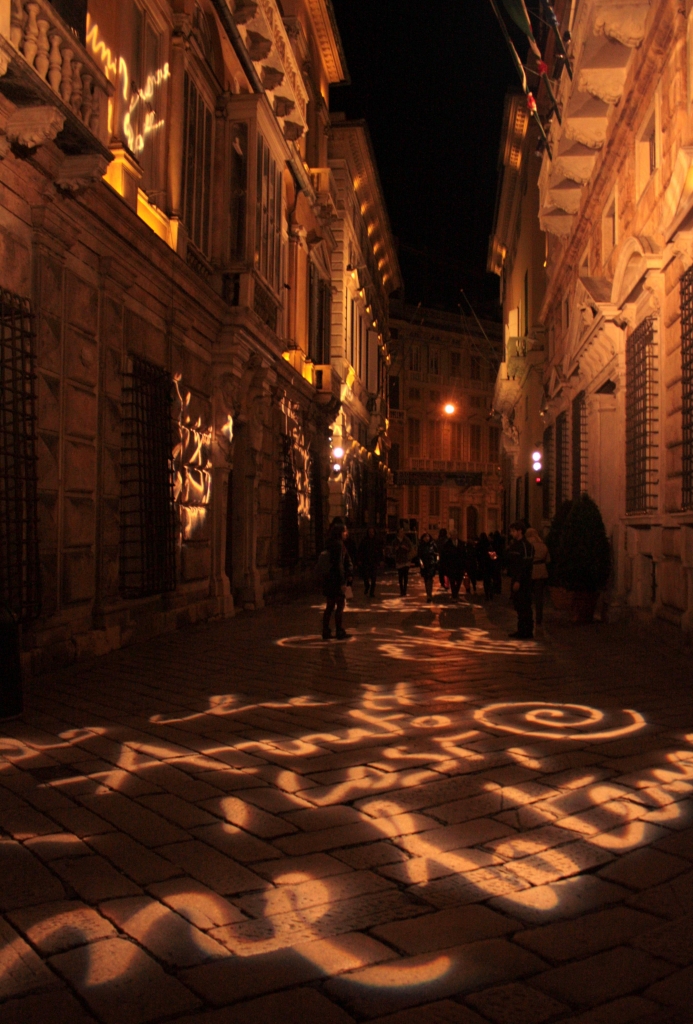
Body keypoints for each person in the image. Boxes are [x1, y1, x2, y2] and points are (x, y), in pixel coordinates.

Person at [321, 522, 353, 640]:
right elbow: (339, 565)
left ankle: (326, 630)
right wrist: (342, 583)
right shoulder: (339, 545)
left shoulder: (329, 544)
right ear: (340, 533)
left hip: (328, 580)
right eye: (344, 531)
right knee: (340, 606)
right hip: (336, 581)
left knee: (329, 606)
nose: (346, 533)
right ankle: (339, 630)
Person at [506, 520, 535, 639]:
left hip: (523, 581)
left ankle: (527, 631)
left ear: (520, 531)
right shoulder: (514, 545)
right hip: (516, 578)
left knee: (524, 606)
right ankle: (521, 630)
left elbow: (525, 565)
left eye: (513, 531)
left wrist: (518, 580)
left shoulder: (526, 546)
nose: (511, 533)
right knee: (518, 605)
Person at [526, 527, 550, 628]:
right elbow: (548, 560)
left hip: (531, 571)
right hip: (541, 571)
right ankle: (539, 618)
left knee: (527, 596)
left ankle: (528, 617)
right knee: (539, 597)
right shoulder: (543, 545)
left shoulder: (528, 545)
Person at [357, 526, 382, 598]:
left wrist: (381, 560)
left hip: (374, 562)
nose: (371, 533)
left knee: (374, 578)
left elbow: (380, 551)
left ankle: (372, 592)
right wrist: (359, 560)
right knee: (366, 576)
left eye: (372, 532)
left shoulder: (377, 541)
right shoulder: (364, 541)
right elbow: (360, 551)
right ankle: (367, 586)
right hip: (366, 561)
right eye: (370, 532)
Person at [441, 530, 466, 600]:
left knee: (459, 580)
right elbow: (444, 556)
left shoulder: (461, 543)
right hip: (451, 566)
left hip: (460, 566)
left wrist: (464, 564)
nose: (454, 536)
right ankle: (454, 595)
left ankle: (455, 593)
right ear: (450, 536)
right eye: (453, 535)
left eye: (455, 534)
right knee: (452, 581)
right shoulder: (447, 544)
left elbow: (464, 554)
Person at [417, 532, 438, 602]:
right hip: (424, 565)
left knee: (430, 579)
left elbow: (437, 554)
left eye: (428, 537)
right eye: (425, 537)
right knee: (426, 579)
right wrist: (421, 563)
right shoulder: (421, 546)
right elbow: (419, 556)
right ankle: (428, 594)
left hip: (431, 564)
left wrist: (436, 561)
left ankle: (429, 594)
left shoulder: (433, 545)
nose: (427, 538)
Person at [394, 528, 414, 596]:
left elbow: (410, 548)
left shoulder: (406, 540)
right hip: (399, 560)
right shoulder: (395, 541)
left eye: (403, 532)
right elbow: (393, 550)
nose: (402, 533)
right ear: (398, 533)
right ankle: (401, 590)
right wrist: (396, 549)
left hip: (406, 560)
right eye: (400, 532)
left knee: (405, 576)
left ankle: (404, 591)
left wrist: (406, 548)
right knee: (400, 576)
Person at [475, 532, 494, 601]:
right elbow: (493, 556)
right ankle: (491, 592)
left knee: (486, 580)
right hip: (489, 564)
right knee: (489, 579)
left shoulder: (479, 545)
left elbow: (476, 554)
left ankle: (487, 594)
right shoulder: (488, 544)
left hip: (483, 564)